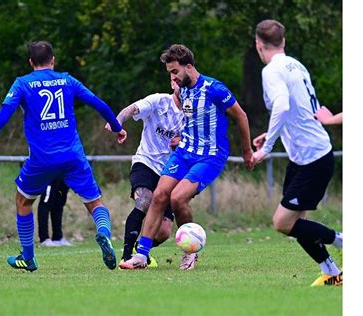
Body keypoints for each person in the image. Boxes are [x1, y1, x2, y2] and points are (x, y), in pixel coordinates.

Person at [0, 41, 127, 271]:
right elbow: (98, 104)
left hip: (42, 159)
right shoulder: (68, 80)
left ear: (31, 63)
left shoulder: (22, 84)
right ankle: (103, 232)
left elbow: (3, 116)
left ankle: (28, 257)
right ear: (53, 60)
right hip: (73, 156)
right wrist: (117, 126)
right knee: (94, 202)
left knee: (23, 201)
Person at [120, 44, 254, 270]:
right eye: (170, 73)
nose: (173, 78)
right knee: (160, 195)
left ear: (189, 67)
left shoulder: (215, 90)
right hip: (184, 153)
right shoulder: (182, 91)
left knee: (177, 198)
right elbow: (191, 119)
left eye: (175, 72)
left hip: (210, 157)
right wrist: (182, 137)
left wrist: (247, 150)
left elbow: (241, 116)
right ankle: (141, 256)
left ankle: (190, 252)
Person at [252, 19, 343, 286]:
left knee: (282, 222)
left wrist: (266, 149)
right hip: (305, 157)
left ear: (258, 44)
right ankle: (332, 272)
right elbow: (297, 111)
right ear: (284, 42)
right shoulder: (295, 64)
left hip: (312, 158)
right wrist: (271, 134)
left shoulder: (271, 71)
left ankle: (343, 241)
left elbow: (281, 105)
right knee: (296, 221)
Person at [106, 80, 185, 268]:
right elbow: (132, 108)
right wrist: (118, 121)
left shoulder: (192, 113)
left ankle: (140, 251)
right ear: (172, 83)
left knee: (164, 231)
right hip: (145, 163)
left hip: (169, 172)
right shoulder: (159, 101)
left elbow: (198, 139)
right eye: (177, 81)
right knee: (144, 200)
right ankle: (126, 257)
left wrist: (181, 141)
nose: (181, 86)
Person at [37, 178, 72, 247]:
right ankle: (44, 238)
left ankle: (57, 237)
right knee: (45, 203)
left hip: (63, 174)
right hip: (50, 173)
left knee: (58, 203)